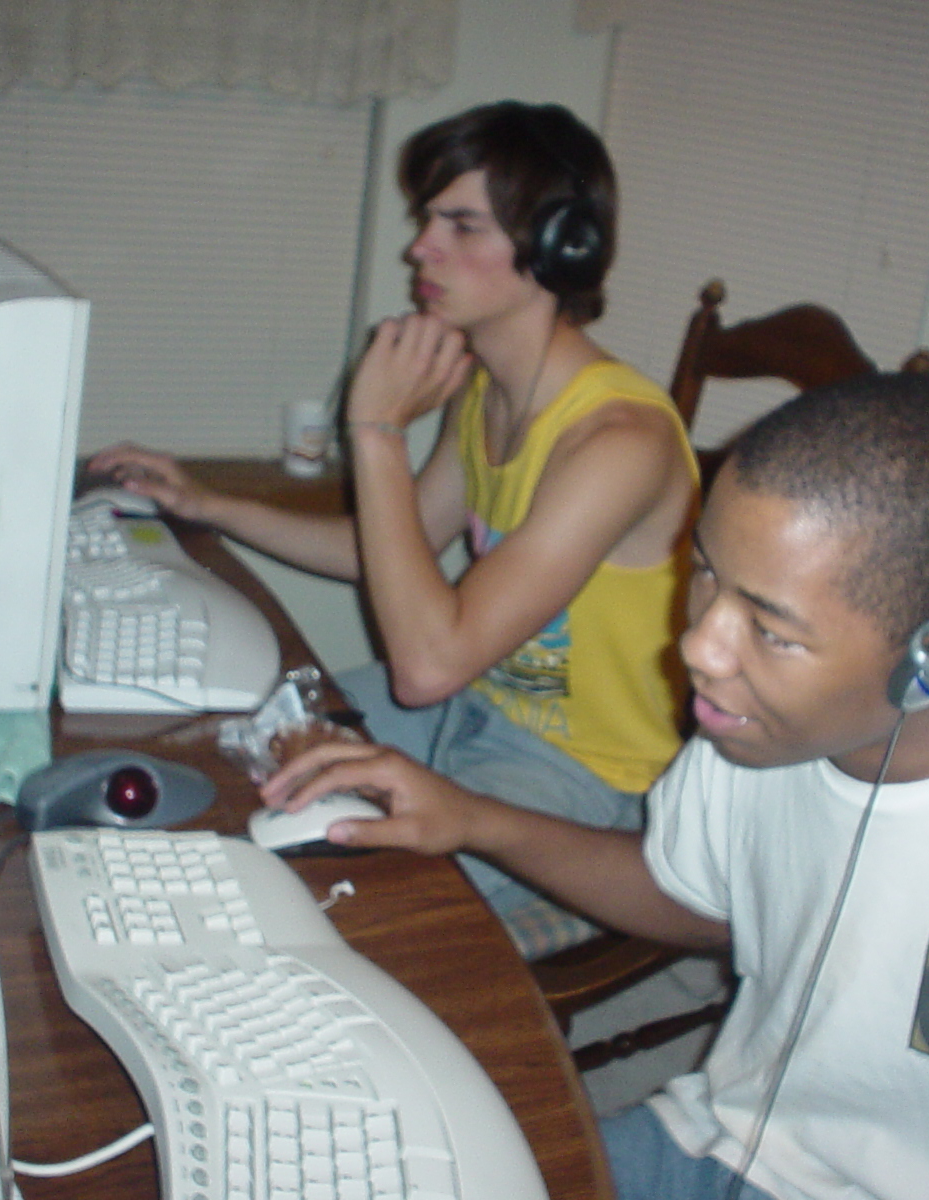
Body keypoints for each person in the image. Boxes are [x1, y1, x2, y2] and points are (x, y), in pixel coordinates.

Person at [258, 370, 929, 1200]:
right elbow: (687, 894)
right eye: (704, 571)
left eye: (771, 627)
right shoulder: (751, 729)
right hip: (716, 1148)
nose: (699, 647)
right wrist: (473, 819)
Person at [88, 101, 699, 943]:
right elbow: (382, 554)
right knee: (231, 750)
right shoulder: (488, 389)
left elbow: (426, 667)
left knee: (352, 922)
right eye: (427, 221)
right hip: (472, 704)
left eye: (461, 225)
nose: (421, 249)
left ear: (559, 248)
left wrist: (375, 431)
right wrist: (209, 505)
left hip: (587, 780)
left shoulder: (618, 443)